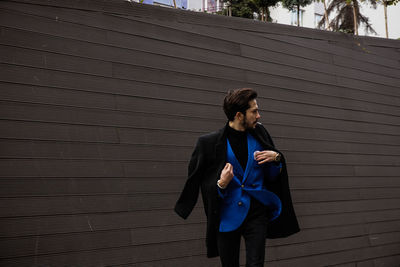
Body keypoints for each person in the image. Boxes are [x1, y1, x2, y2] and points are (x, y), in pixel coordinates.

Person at [174, 88, 300, 267]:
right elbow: (203, 183)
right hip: (227, 216)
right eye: (254, 111)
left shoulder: (260, 133)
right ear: (239, 115)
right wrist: (221, 184)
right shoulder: (209, 143)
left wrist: (277, 159)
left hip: (257, 213)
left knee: (256, 264)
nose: (259, 116)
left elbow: (272, 176)